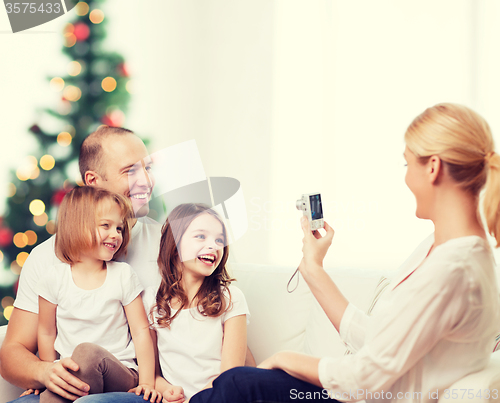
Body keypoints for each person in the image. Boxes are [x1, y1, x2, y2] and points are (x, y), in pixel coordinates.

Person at [189, 103, 500, 403]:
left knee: (238, 383)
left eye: (407, 164)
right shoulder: (444, 250)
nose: (406, 177)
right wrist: (313, 267)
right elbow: (380, 342)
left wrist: (285, 359)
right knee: (236, 384)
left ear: (433, 167)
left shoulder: (454, 268)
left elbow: (364, 377)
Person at [1, 127, 161, 402]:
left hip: (131, 386)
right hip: (71, 384)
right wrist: (45, 371)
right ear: (93, 181)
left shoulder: (170, 245)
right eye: (130, 171)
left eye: (147, 168)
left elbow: (218, 318)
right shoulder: (45, 259)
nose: (146, 180)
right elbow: (12, 352)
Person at [36, 187, 159, 403]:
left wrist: (147, 383)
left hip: (121, 372)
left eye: (119, 228)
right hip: (74, 374)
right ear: (76, 226)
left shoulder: (122, 275)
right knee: (71, 370)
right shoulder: (53, 278)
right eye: (106, 225)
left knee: (86, 352)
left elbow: (141, 332)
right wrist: (48, 376)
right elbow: (46, 332)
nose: (116, 234)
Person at [144, 203, 249, 403]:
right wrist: (168, 391)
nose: (214, 245)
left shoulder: (231, 299)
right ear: (174, 246)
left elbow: (230, 377)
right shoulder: (152, 300)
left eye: (219, 239)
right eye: (201, 236)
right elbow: (152, 374)